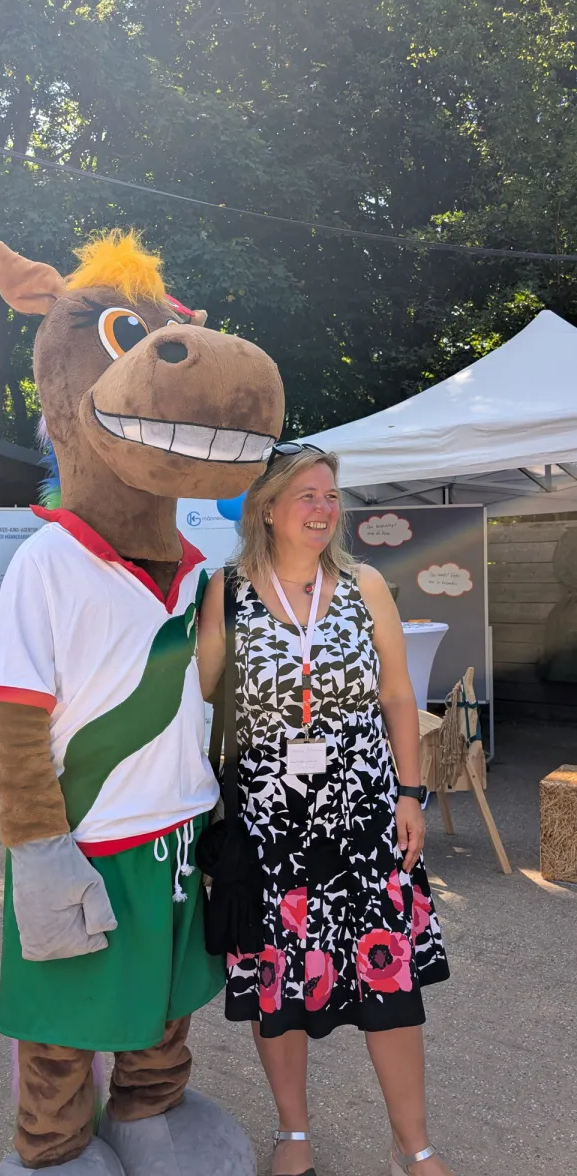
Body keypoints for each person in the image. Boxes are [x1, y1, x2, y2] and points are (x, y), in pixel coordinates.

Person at [197, 443, 453, 1176]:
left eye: (331, 495)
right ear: (266, 509)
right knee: (277, 982)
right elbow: (199, 695)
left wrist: (410, 794)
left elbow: (398, 695)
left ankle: (414, 1145)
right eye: (306, 495)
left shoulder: (363, 584)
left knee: (388, 978)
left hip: (364, 812)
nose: (323, 508)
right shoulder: (226, 589)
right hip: (268, 822)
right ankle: (293, 1135)